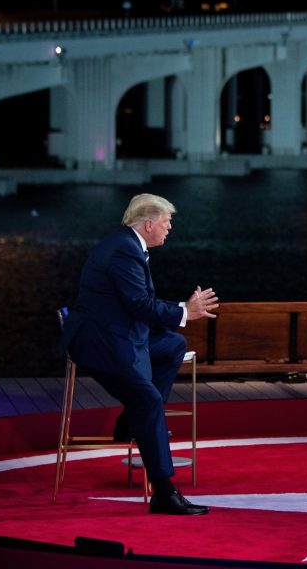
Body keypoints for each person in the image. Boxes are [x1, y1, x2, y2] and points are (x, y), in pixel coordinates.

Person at [62, 193, 218, 515]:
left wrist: (181, 311)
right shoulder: (123, 251)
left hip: (119, 333)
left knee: (173, 345)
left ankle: (132, 421)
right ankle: (164, 493)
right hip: (101, 343)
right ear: (148, 224)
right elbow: (139, 305)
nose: (169, 227)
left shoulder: (129, 246)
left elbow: (137, 304)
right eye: (166, 222)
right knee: (147, 401)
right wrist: (185, 311)